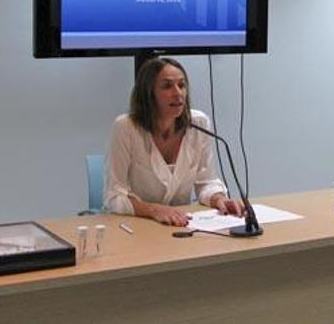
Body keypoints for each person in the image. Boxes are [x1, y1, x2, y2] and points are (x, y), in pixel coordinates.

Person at [104, 57, 244, 226]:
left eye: (182, 85)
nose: (178, 93)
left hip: (180, 225)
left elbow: (206, 182)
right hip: (136, 225)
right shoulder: (126, 127)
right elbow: (114, 196)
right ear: (148, 93)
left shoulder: (198, 123)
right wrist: (154, 210)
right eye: (167, 86)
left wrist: (219, 198)